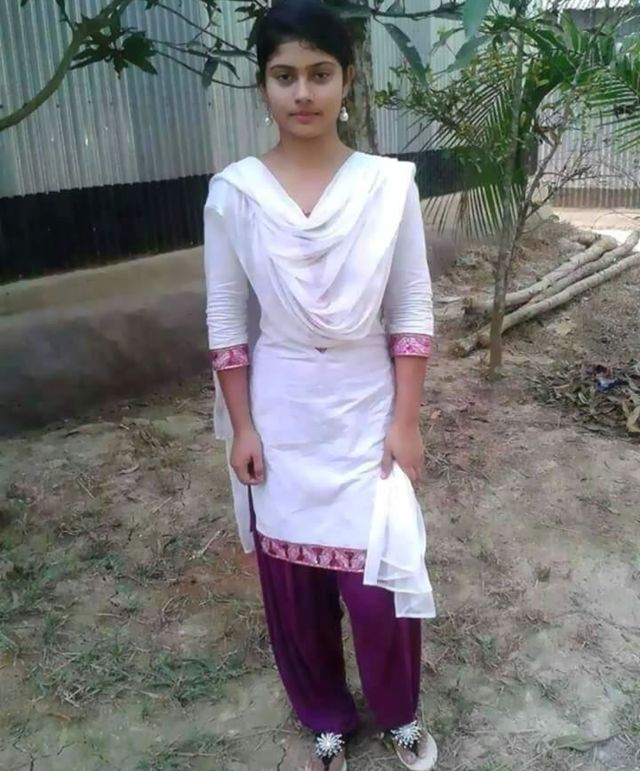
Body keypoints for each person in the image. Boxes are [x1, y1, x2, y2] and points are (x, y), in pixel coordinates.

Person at [204, 1, 437, 768]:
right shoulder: (235, 193)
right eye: (284, 76)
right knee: (294, 585)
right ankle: (326, 714)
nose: (302, 92)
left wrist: (405, 421)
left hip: (366, 405)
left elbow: (410, 307)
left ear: (347, 81)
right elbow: (226, 317)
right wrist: (243, 425)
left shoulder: (387, 186)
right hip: (281, 410)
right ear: (263, 86)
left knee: (379, 583)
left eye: (319, 73)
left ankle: (397, 710)